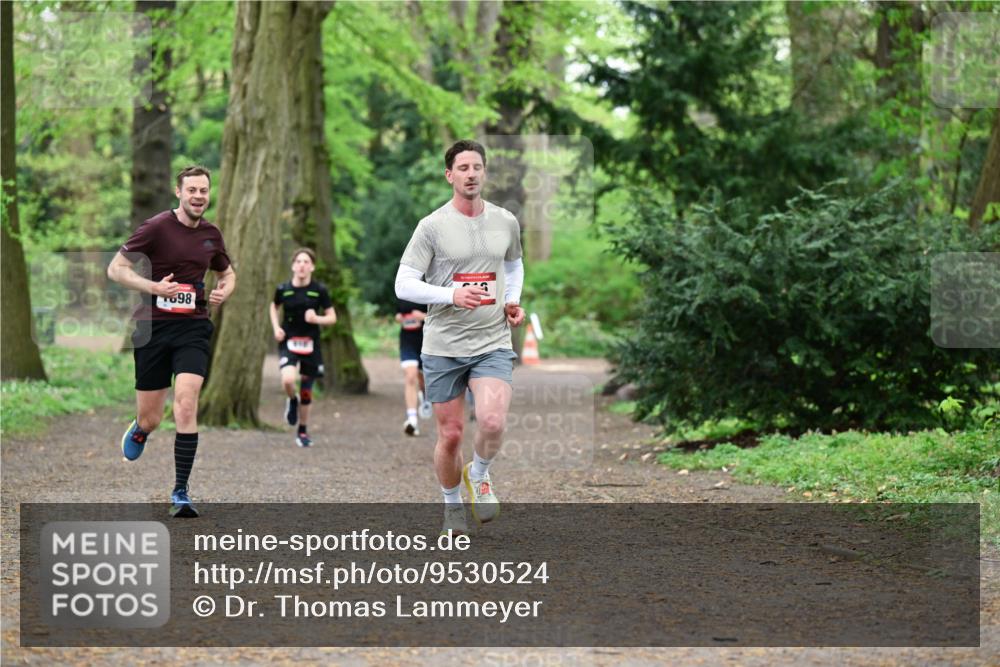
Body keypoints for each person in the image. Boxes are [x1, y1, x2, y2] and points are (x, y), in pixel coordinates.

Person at [395, 140, 525, 535]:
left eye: (477, 167)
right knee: (450, 435)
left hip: (492, 340)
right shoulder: (431, 226)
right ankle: (452, 506)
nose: (471, 174)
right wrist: (450, 294)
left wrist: (512, 300)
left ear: (484, 173)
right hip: (444, 346)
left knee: (492, 420)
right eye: (463, 168)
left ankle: (480, 474)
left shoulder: (506, 221)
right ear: (449, 175)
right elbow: (404, 284)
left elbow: (514, 265)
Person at [107, 165, 236, 518]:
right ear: (178, 192)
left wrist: (226, 288)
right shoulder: (156, 227)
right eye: (192, 190)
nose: (198, 196)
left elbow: (226, 271)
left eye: (204, 191)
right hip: (154, 328)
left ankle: (180, 491)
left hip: (193, 328)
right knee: (153, 418)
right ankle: (140, 429)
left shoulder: (212, 234)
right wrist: (153, 288)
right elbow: (116, 269)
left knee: (186, 403)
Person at [269, 248, 337, 447]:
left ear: (312, 266)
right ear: (293, 266)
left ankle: (303, 431)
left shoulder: (320, 290)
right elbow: (273, 306)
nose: (302, 265)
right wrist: (276, 328)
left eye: (306, 262)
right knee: (288, 380)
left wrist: (317, 318)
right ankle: (292, 399)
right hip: (288, 342)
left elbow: (332, 317)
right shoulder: (283, 289)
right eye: (298, 261)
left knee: (307, 391)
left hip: (311, 345)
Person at [395, 298, 433, 436]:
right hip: (407, 342)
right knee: (410, 377)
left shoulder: (429, 289)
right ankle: (412, 420)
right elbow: (398, 314)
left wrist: (423, 317)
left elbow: (442, 317)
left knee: (423, 379)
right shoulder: (402, 292)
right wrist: (399, 318)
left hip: (427, 342)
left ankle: (424, 394)